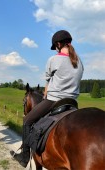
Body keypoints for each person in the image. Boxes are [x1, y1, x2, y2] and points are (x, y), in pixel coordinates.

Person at [10, 30, 84, 167]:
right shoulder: (79, 62)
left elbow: (48, 84)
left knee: (27, 120)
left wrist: (46, 96)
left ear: (58, 44)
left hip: (54, 100)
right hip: (73, 103)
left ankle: (24, 156)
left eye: (55, 46)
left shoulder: (54, 60)